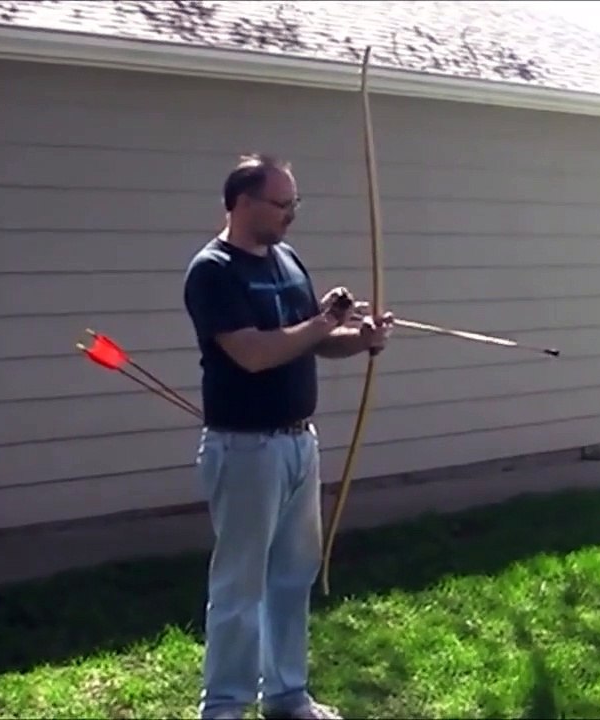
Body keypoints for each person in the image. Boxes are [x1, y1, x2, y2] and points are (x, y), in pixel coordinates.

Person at [183, 153, 393, 720]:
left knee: (291, 577)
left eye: (295, 204)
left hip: (299, 443)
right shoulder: (213, 271)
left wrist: (358, 338)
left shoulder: (287, 260)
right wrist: (326, 322)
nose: (290, 216)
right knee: (239, 586)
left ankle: (287, 696)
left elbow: (310, 341)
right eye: (282, 205)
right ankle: (224, 707)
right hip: (245, 446)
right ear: (243, 203)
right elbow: (253, 353)